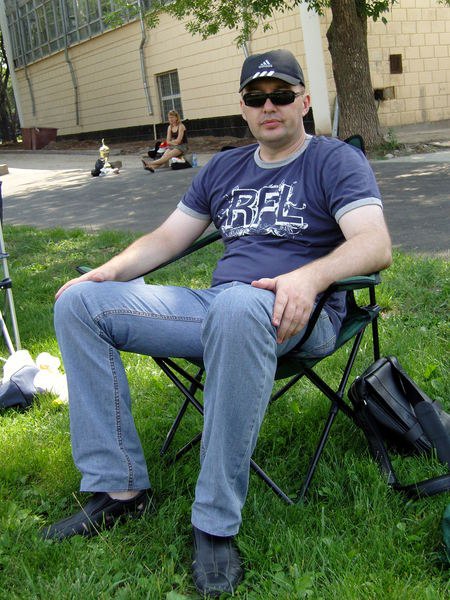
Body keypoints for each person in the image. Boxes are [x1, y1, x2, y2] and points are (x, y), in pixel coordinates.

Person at [42, 50, 392, 597]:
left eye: (281, 95)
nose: (269, 106)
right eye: (257, 98)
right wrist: (106, 273)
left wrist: (308, 279)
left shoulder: (334, 161)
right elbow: (167, 238)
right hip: (220, 307)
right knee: (78, 304)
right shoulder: (225, 167)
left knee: (236, 307)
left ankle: (214, 524)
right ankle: (119, 489)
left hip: (299, 313)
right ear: (243, 108)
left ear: (304, 101)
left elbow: (374, 244)